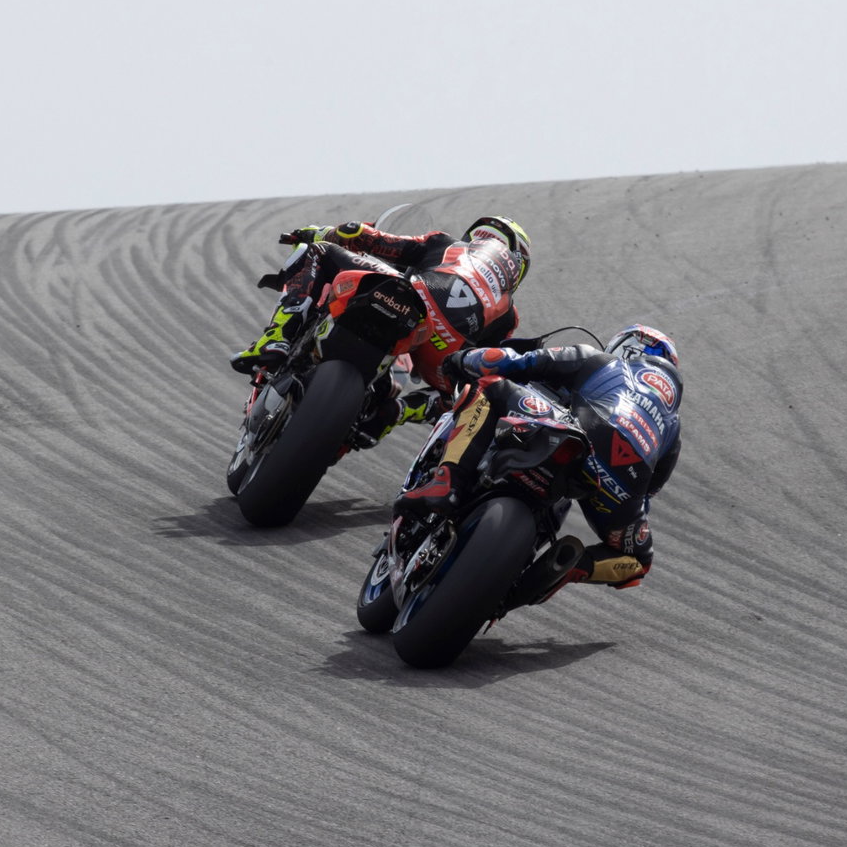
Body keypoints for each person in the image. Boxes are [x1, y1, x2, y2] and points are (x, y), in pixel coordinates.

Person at [395, 324, 683, 602]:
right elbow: (649, 491)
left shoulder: (601, 361)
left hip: (579, 430)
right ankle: (560, 571)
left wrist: (461, 359)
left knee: (490, 387)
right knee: (638, 561)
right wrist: (625, 511)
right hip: (622, 484)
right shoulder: (673, 426)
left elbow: (514, 362)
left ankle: (448, 482)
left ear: (625, 347)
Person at [229, 215, 532, 445]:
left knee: (318, 251)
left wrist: (318, 232)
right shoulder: (508, 315)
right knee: (460, 395)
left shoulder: (449, 245)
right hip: (441, 348)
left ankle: (278, 338)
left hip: (416, 293)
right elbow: (483, 366)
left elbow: (363, 235)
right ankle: (393, 412)